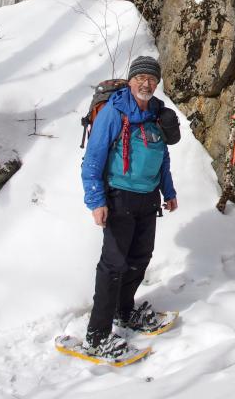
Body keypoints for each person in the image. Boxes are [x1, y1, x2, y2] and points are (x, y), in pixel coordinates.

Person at [81, 55, 179, 359]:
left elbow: (162, 156)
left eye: (152, 79)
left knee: (140, 257)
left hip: (148, 199)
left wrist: (168, 189)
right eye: (141, 78)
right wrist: (96, 201)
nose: (146, 84)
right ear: (131, 79)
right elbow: (93, 160)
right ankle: (96, 337)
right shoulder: (114, 112)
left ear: (157, 83)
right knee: (112, 266)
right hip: (118, 198)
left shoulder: (156, 114)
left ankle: (124, 311)